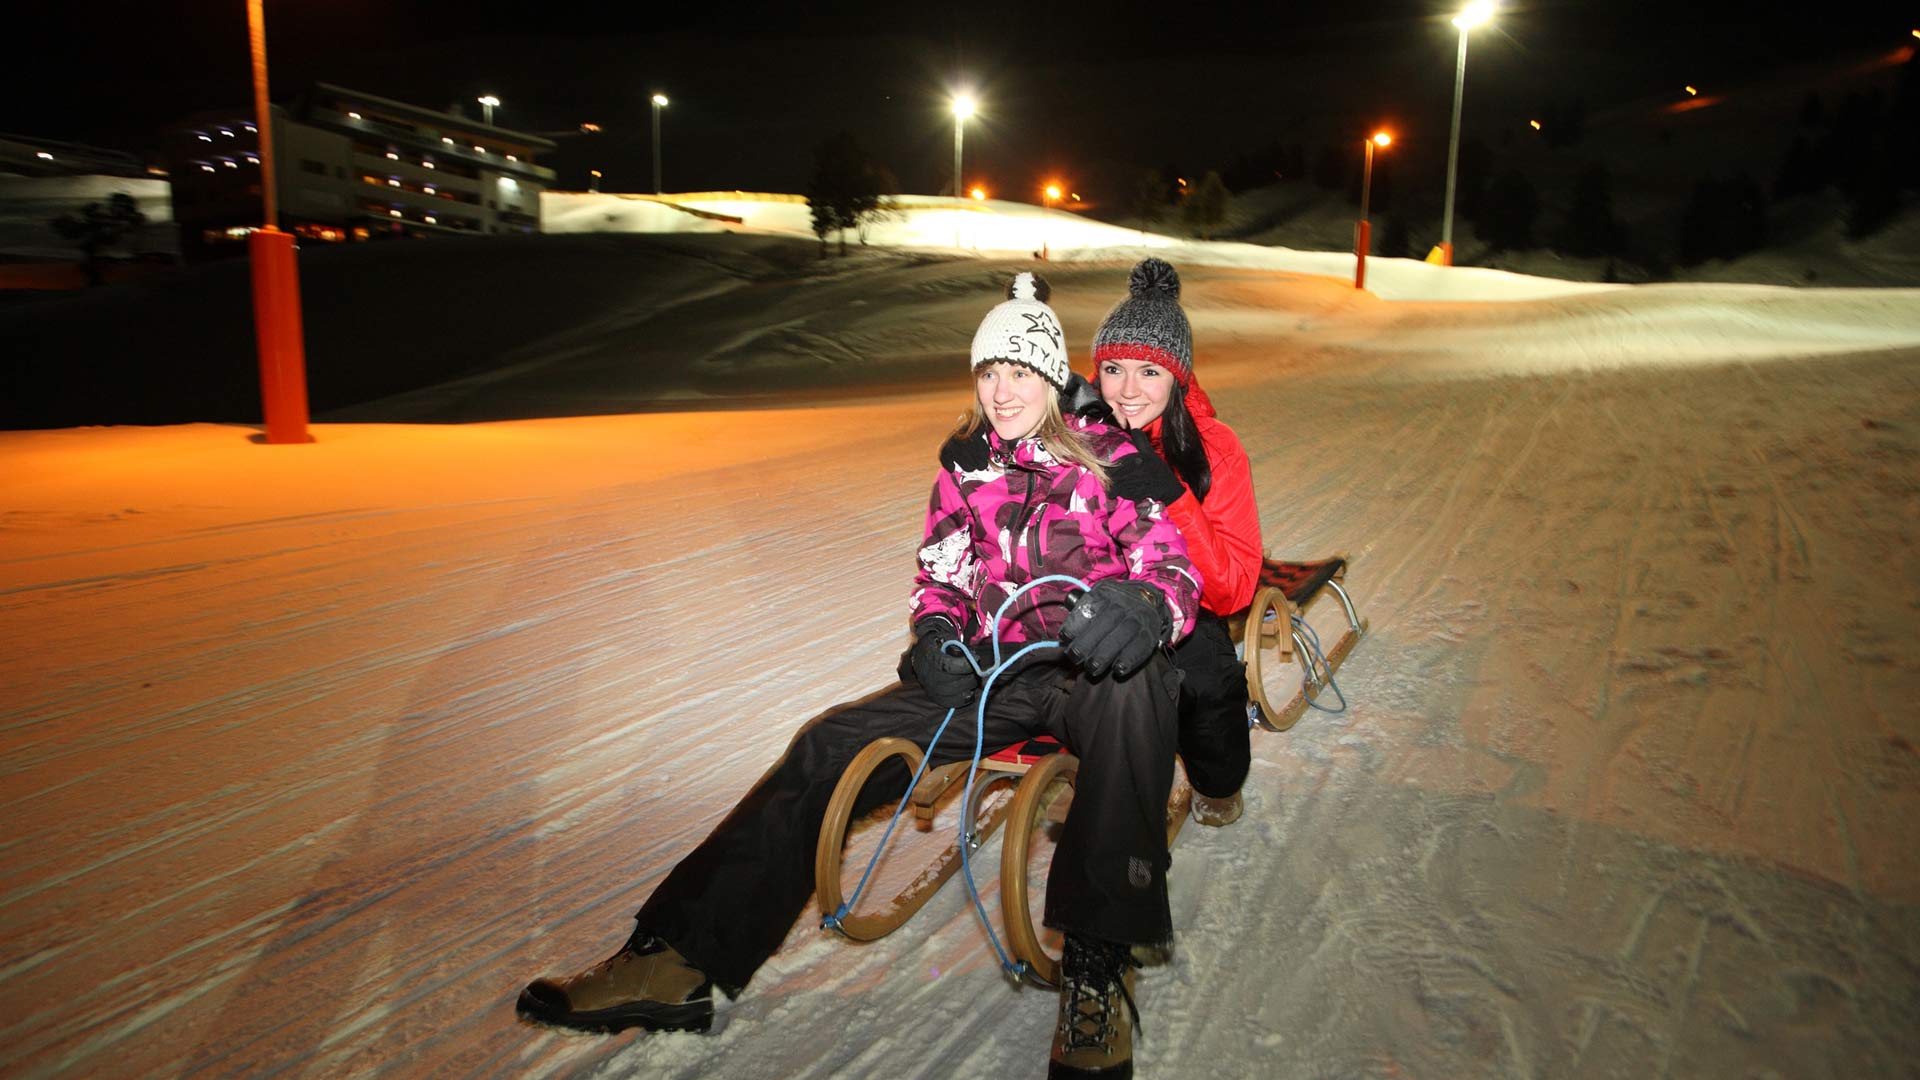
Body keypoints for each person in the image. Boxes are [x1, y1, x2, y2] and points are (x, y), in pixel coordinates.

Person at [518, 271, 1202, 1079]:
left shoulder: (1111, 461)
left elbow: (1173, 568)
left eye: (1019, 372)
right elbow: (941, 574)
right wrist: (937, 633)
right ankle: (676, 956)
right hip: (993, 675)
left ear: (1052, 378)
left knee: (1136, 696)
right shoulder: (963, 467)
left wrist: (1143, 607)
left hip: (1089, 668)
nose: (1001, 389)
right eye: (988, 372)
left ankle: (1096, 968)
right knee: (827, 741)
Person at [1091, 258, 1263, 827]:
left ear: (1178, 380)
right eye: (1114, 369)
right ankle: (1095, 769)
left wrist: (1174, 496)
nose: (1128, 390)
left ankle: (1216, 778)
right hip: (1098, 603)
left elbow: (1233, 589)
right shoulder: (1079, 437)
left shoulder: (1215, 448)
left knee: (1201, 678)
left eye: (1150, 372)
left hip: (1187, 607)